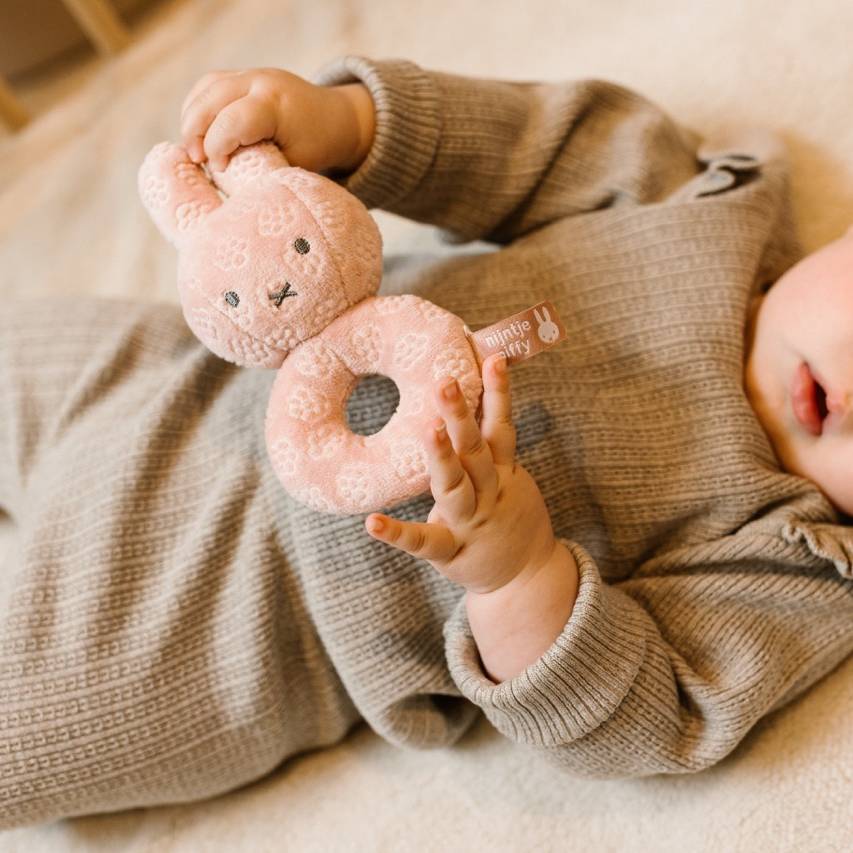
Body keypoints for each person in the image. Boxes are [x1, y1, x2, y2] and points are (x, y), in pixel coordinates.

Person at [1, 54, 851, 828]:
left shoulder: (794, 558)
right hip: (180, 375)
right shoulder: (700, 200)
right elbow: (518, 147)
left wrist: (518, 573)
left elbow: (652, 711)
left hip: (233, 625)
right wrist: (337, 124)